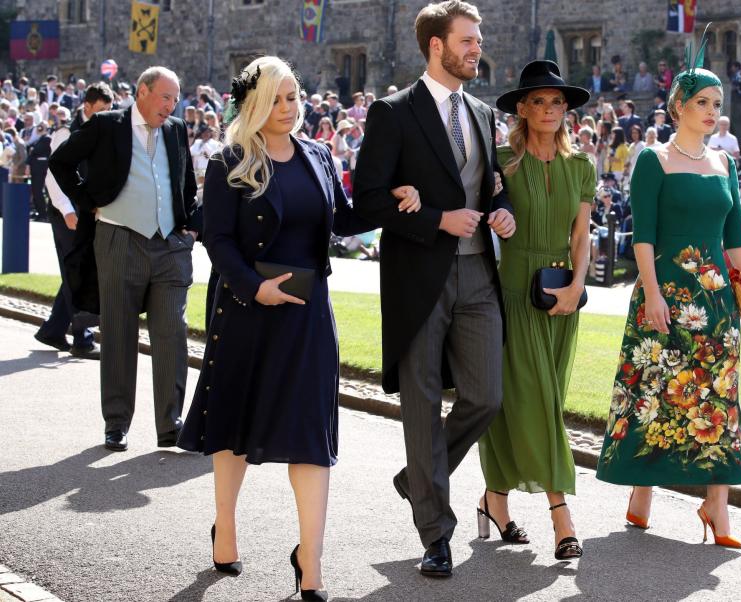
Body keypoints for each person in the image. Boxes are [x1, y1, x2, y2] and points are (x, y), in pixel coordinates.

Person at [177, 56, 417, 599]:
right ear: (256, 103)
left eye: (294, 97)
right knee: (234, 428)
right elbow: (217, 239)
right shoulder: (229, 162)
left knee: (311, 438)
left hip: (308, 318)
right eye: (278, 99)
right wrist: (253, 287)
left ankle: (310, 559)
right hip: (246, 314)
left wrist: (395, 202)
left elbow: (345, 219)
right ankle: (226, 525)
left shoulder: (318, 154)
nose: (289, 108)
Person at [352, 0, 516, 579]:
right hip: (417, 276)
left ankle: (417, 477)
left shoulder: (482, 112)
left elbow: (490, 188)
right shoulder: (392, 113)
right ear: (436, 46)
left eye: (478, 39)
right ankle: (435, 533)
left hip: (477, 275)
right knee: (420, 406)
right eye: (467, 40)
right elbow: (367, 201)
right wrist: (435, 221)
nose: (477, 48)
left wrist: (502, 212)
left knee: (486, 396)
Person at [595, 40, 741, 549]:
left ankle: (717, 506)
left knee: (718, 399)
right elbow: (643, 235)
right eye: (703, 103)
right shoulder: (653, 158)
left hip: (715, 302)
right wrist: (652, 294)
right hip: (663, 293)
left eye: (717, 104)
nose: (712, 112)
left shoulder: (725, 164)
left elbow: (736, 236)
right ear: (679, 106)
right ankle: (641, 492)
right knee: (653, 391)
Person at [472, 59, 593, 562]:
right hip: (513, 288)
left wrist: (576, 288)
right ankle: (561, 516)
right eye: (538, 101)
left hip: (564, 293)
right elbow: (480, 219)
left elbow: (582, 236)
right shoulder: (500, 161)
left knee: (537, 399)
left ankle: (493, 501)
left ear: (567, 109)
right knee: (537, 400)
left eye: (556, 101)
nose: (548, 109)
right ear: (521, 108)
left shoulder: (581, 165)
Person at [48, 67, 200, 453]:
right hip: (118, 240)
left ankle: (171, 424)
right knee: (118, 332)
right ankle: (116, 423)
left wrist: (189, 227)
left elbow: (185, 185)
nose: (171, 105)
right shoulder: (106, 125)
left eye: (175, 98)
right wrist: (88, 203)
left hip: (169, 247)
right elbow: (61, 163)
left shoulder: (177, 129)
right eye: (165, 96)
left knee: (171, 332)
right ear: (143, 92)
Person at [33, 84, 113, 359]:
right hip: (66, 213)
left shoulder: (100, 131)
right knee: (77, 270)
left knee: (76, 269)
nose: (106, 114)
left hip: (86, 212)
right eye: (102, 109)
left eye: (109, 110)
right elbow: (53, 176)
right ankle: (82, 338)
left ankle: (54, 330)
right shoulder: (66, 132)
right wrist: (68, 211)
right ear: (88, 106)